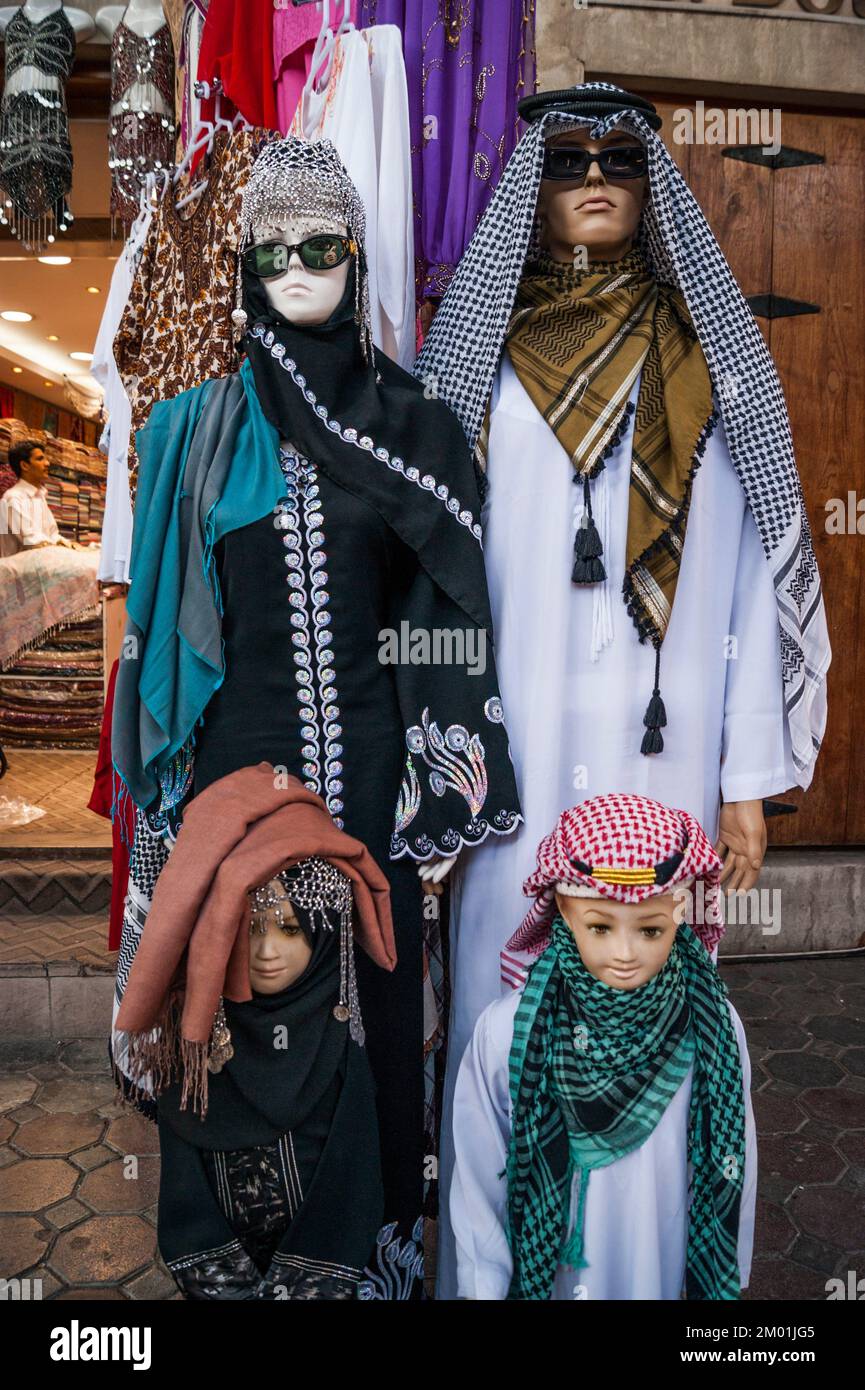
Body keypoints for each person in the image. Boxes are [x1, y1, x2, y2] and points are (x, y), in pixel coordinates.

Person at [415, 82, 828, 1293]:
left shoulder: (706, 362)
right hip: (516, 773)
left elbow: (751, 579)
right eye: (565, 160)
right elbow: (435, 583)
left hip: (669, 761)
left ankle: (654, 1272)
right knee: (509, 1031)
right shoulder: (477, 368)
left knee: (660, 1023)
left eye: (617, 158)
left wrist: (747, 783)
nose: (592, 176)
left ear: (649, 186)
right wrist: (438, 782)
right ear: (534, 193)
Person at [110, 136, 521, 1297]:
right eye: (274, 247)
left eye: (323, 245)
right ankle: (240, 1256)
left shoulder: (408, 423)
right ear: (246, 263)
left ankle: (368, 1260)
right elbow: (164, 639)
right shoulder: (192, 432)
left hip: (373, 796)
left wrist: (432, 784)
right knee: (237, 1016)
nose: (297, 269)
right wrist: (168, 814)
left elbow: (441, 615)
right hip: (237, 795)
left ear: (357, 256)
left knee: (380, 1036)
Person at [450, 792, 757, 1301]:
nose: (624, 953)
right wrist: (484, 1286)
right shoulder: (507, 1031)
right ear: (564, 914)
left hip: (663, 1267)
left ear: (681, 915)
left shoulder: (713, 1026)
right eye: (599, 926)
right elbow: (480, 1174)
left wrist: (727, 1263)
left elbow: (736, 1160)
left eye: (650, 929)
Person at [114, 765, 398, 1300]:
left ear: (325, 930)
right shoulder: (194, 1047)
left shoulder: (336, 1040)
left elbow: (350, 1178)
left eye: (290, 928)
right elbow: (185, 1188)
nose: (267, 954)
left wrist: (300, 1286)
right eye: (249, 929)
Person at [0, 440, 74, 558]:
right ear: (24, 465)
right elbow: (31, 541)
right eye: (40, 459)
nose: (47, 463)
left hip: (39, 565)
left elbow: (53, 534)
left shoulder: (39, 497)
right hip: (19, 573)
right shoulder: (13, 499)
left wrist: (70, 546)